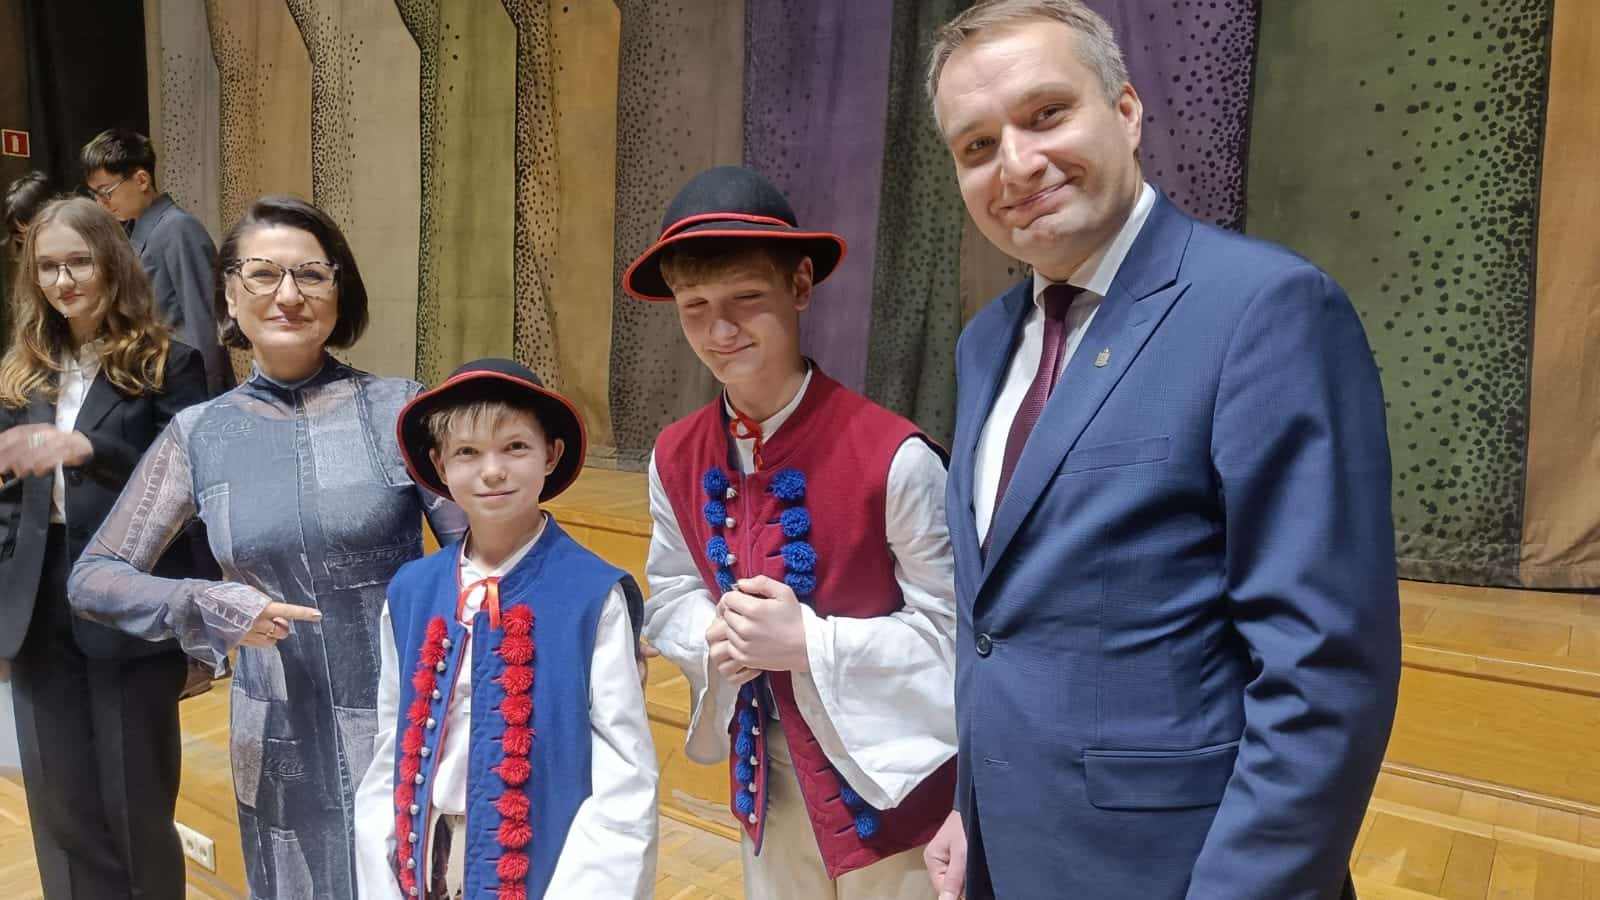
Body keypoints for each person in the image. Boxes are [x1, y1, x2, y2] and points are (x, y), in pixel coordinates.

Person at [919, 3, 1401, 898]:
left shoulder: (1265, 310)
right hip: (1013, 853)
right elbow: (996, 624)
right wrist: (968, 806)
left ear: (1127, 110)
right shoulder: (985, 343)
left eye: (1046, 114)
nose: (1015, 164)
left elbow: (1321, 675)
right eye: (977, 145)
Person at [68, 195, 467, 899]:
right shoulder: (200, 435)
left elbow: (482, 550)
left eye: (311, 274)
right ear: (228, 294)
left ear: (340, 291)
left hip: (405, 721)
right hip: (277, 736)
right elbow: (95, 576)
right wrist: (204, 602)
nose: (288, 295)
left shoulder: (402, 410)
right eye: (262, 274)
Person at [628, 166, 959, 899]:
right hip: (767, 785)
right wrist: (717, 633)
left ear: (800, 285)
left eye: (747, 298)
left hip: (894, 787)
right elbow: (673, 588)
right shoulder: (674, 455)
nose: (720, 331)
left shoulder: (896, 457)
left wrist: (810, 643)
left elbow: (955, 636)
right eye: (695, 307)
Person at [353, 358, 658, 899]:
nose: (492, 471)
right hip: (427, 857)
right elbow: (392, 740)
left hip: (549, 865)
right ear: (440, 465)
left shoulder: (592, 594)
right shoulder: (411, 590)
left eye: (515, 447)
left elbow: (623, 770)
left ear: (551, 455)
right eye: (467, 452)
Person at [0, 196, 209, 898]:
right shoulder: (21, 371)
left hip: (128, 596)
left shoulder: (170, 363)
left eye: (79, 263)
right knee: (61, 810)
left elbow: (187, 486)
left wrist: (88, 448)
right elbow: (7, 504)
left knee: (135, 807)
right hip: (37, 603)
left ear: (112, 264)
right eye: (48, 267)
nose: (63, 281)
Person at [81, 129, 230, 395]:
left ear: (141, 180)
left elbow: (204, 323)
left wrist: (207, 402)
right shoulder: (139, 230)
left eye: (106, 192)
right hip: (157, 379)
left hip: (188, 385)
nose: (102, 203)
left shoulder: (179, 228)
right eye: (95, 194)